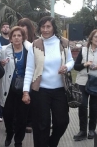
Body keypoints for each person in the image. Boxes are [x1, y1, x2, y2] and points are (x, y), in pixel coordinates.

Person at [22, 16, 74, 147]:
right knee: (41, 125)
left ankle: (52, 143)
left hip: (60, 90)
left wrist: (67, 67)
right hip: (40, 91)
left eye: (48, 26)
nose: (45, 30)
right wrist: (26, 91)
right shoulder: (35, 45)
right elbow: (29, 70)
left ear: (54, 28)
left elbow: (71, 60)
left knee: (62, 121)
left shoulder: (63, 43)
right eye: (43, 27)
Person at [73, 29, 97, 141]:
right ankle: (82, 131)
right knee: (82, 106)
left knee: (94, 107)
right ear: (91, 38)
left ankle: (92, 130)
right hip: (82, 81)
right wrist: (85, 64)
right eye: (96, 37)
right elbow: (76, 67)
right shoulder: (84, 50)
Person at [0, 26, 32, 147]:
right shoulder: (3, 50)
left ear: (23, 38)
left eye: (19, 35)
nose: (17, 38)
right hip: (9, 88)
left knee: (22, 117)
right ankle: (9, 133)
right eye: (14, 36)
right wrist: (1, 64)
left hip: (24, 89)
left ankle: (18, 141)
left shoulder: (29, 50)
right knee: (7, 115)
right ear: (10, 38)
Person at [17, 18, 36, 133]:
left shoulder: (34, 43)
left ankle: (29, 122)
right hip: (19, 75)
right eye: (20, 25)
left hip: (31, 75)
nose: (22, 28)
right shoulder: (16, 40)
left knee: (31, 99)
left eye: (24, 26)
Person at [0, 22, 10, 122]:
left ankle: (6, 112)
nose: (5, 28)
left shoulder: (12, 40)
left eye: (7, 27)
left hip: (10, 68)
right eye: (3, 27)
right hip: (0, 67)